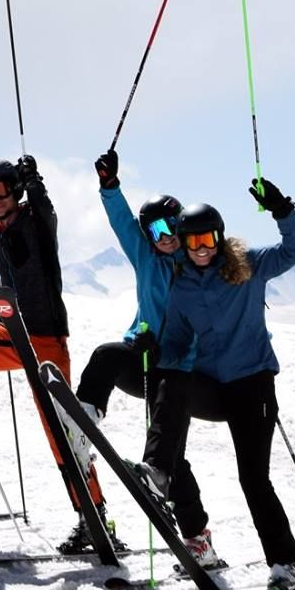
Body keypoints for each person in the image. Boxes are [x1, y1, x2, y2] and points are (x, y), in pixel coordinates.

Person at [0, 156, 123, 555]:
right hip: (15, 333)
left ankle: (94, 518)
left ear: (15, 189)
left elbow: (47, 217)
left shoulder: (35, 220)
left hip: (47, 340)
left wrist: (35, 183)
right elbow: (11, 277)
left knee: (62, 436)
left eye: (1, 191)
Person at [151, 179, 295, 590]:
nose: (201, 248)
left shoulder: (249, 265)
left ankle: (285, 569)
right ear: (182, 244)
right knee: (175, 384)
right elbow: (178, 342)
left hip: (252, 384)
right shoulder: (182, 286)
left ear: (219, 237)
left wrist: (282, 210)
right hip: (212, 386)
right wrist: (154, 351)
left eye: (208, 239)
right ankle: (158, 470)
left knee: (253, 478)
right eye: (192, 241)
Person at [78, 149, 221, 568]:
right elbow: (122, 222)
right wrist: (109, 186)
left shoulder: (198, 267)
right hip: (140, 361)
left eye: (171, 225)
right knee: (105, 355)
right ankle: (83, 422)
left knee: (171, 459)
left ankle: (198, 540)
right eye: (155, 229)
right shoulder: (145, 257)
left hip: (177, 373)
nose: (164, 235)